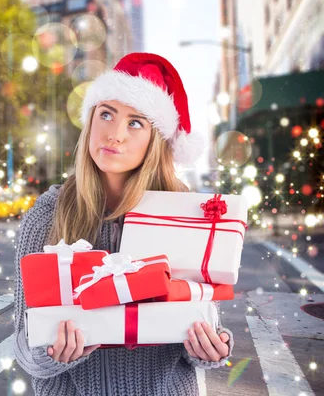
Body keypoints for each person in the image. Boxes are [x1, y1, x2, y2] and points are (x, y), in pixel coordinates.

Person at [13, 53, 232, 395]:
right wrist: (53, 354)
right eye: (106, 114)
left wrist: (210, 348)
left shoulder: (184, 214)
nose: (114, 135)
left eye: (135, 123)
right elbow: (24, 348)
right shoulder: (47, 215)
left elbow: (203, 319)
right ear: (90, 122)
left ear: (155, 141)